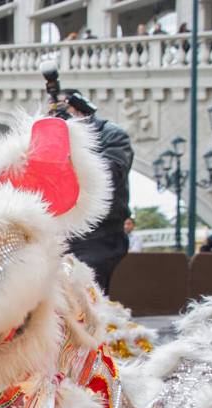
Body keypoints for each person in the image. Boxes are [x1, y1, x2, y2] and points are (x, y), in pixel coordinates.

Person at [60, 89, 134, 293]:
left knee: (86, 293)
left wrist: (74, 149)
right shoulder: (55, 139)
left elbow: (110, 174)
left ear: (77, 107)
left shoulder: (111, 134)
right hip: (63, 233)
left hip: (100, 234)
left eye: (64, 108)